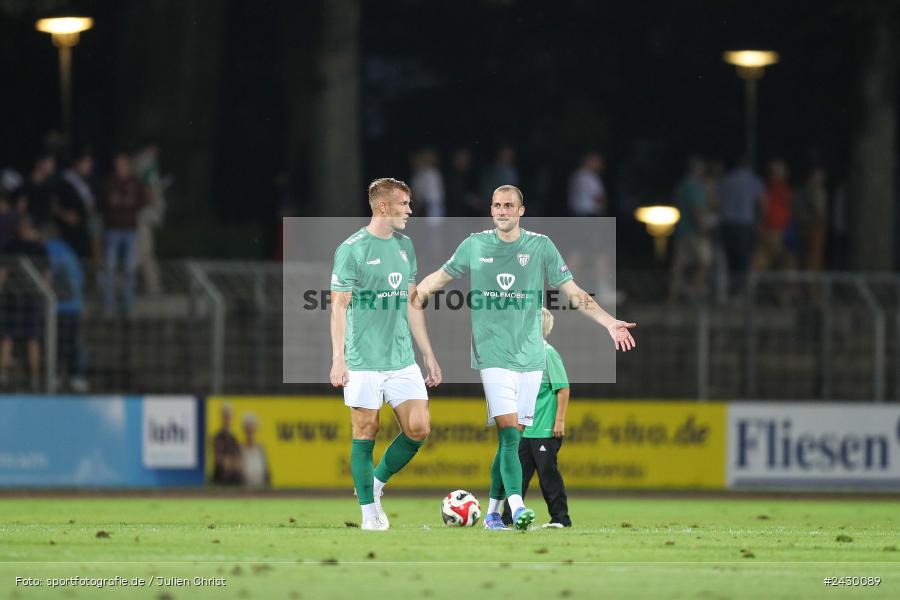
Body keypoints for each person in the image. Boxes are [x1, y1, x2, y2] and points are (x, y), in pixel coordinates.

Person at [412, 185, 636, 531]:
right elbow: (438, 279)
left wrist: (609, 323)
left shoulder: (540, 246)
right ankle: (516, 510)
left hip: (531, 356)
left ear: (521, 211)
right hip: (492, 354)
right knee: (510, 435)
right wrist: (416, 294)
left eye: (508, 206)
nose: (501, 211)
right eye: (496, 206)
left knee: (513, 435)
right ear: (491, 210)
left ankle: (491, 513)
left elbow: (573, 292)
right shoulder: (474, 245)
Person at [329, 177, 442, 531]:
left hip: (401, 358)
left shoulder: (406, 246)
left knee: (419, 428)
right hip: (363, 360)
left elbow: (411, 303)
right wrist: (338, 357)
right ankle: (367, 514)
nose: (410, 211)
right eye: (404, 204)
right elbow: (338, 308)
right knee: (366, 430)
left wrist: (428, 354)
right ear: (382, 207)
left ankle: (374, 486)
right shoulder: (352, 249)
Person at [501, 307, 572, 528]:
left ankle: (561, 519)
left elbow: (563, 389)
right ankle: (506, 518)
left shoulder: (547, 353)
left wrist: (559, 421)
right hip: (525, 429)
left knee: (547, 475)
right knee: (517, 476)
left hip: (544, 428)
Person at [102, 152, 149, 315]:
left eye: (122, 164)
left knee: (130, 268)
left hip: (130, 229)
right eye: (117, 165)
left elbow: (144, 200)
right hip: (113, 229)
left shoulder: (136, 182)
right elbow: (104, 201)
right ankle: (109, 305)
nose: (119, 168)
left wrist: (130, 203)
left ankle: (128, 305)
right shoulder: (110, 181)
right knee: (110, 267)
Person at [669, 156, 712, 303]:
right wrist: (703, 229)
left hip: (681, 230)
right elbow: (696, 210)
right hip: (694, 232)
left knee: (680, 265)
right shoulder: (695, 187)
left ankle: (673, 296)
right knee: (704, 261)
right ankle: (696, 293)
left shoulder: (681, 186)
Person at [212, 403, 242, 485]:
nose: (227, 418)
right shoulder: (218, 437)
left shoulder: (234, 438)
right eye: (225, 415)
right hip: (220, 478)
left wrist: (233, 462)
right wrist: (229, 461)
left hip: (234, 478)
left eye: (229, 415)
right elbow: (219, 460)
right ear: (221, 417)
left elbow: (238, 461)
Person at [240, 412, 270, 488]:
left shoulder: (261, 449)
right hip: (244, 492)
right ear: (244, 430)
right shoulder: (239, 449)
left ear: (256, 429)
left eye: (252, 428)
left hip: (261, 491)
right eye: (247, 428)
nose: (250, 431)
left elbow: (267, 473)